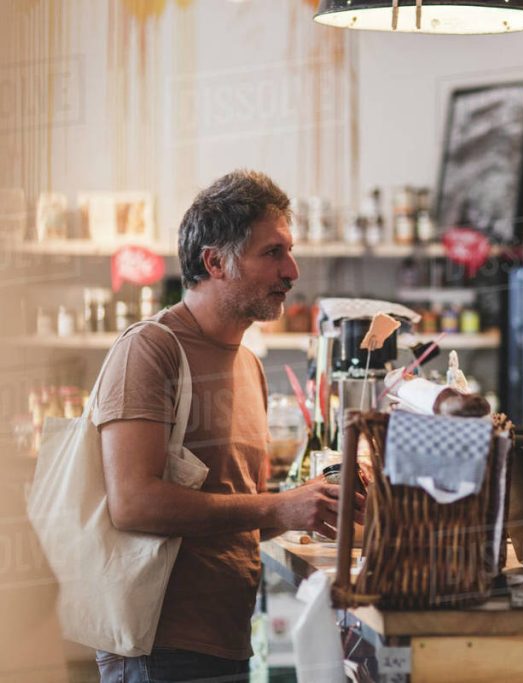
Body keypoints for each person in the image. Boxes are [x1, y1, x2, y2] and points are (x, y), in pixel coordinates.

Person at [93, 170, 359, 682]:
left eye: (290, 251)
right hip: (157, 647)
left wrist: (316, 502)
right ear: (215, 261)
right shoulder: (150, 350)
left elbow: (241, 512)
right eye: (273, 253)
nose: (292, 270)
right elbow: (132, 502)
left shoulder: (248, 364)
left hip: (227, 640)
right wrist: (281, 504)